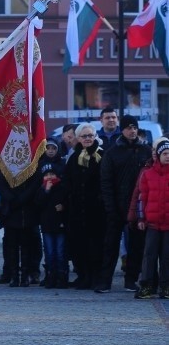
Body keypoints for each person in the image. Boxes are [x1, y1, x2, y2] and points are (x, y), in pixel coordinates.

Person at [94, 115, 152, 293]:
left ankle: (131, 280)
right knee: (110, 245)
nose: (132, 131)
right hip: (116, 206)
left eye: (135, 127)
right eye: (129, 128)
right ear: (123, 129)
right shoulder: (112, 152)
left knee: (136, 245)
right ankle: (105, 281)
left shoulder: (145, 150)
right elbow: (106, 182)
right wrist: (111, 207)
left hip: (138, 207)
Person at [64, 122, 106, 289]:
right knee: (79, 245)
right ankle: (83, 276)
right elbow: (67, 181)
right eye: (84, 136)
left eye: (90, 135)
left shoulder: (101, 155)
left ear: (95, 136)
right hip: (77, 209)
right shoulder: (74, 157)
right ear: (78, 138)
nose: (88, 139)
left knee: (96, 245)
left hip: (96, 210)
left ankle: (96, 276)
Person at [134, 140, 169, 299]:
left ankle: (166, 286)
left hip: (168, 225)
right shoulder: (147, 174)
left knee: (167, 256)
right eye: (165, 154)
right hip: (153, 223)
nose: (168, 156)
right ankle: (147, 286)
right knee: (149, 255)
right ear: (158, 156)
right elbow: (142, 198)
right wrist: (141, 217)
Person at [35, 163, 69, 289]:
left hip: (60, 225)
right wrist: (46, 191)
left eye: (52, 174)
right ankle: (50, 276)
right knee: (49, 252)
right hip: (47, 225)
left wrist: (63, 207)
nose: (49, 177)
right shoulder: (41, 189)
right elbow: (38, 204)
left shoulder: (62, 187)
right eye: (47, 175)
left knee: (60, 252)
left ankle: (62, 277)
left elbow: (68, 201)